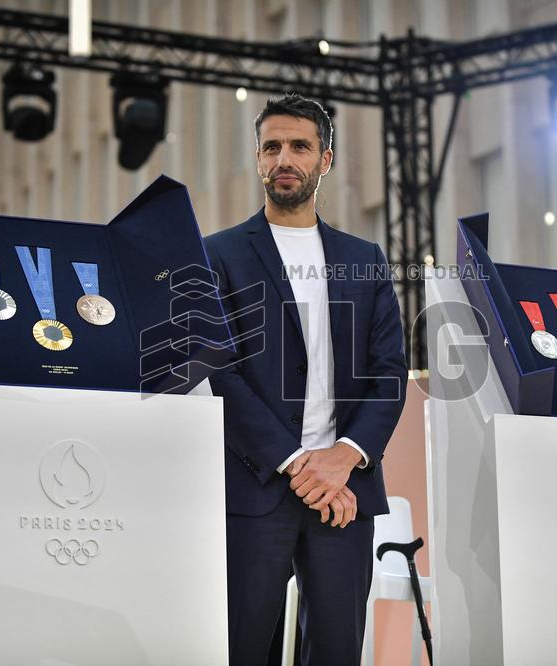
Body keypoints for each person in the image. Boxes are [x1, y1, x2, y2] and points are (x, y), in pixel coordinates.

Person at [204, 93, 407, 665]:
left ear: (326, 159)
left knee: (338, 652)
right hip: (256, 487)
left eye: (300, 146)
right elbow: (222, 372)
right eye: (272, 147)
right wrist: (298, 464)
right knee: (242, 650)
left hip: (344, 494)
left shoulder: (364, 259)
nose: (283, 158)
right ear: (259, 158)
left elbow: (388, 372)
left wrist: (343, 457)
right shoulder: (217, 256)